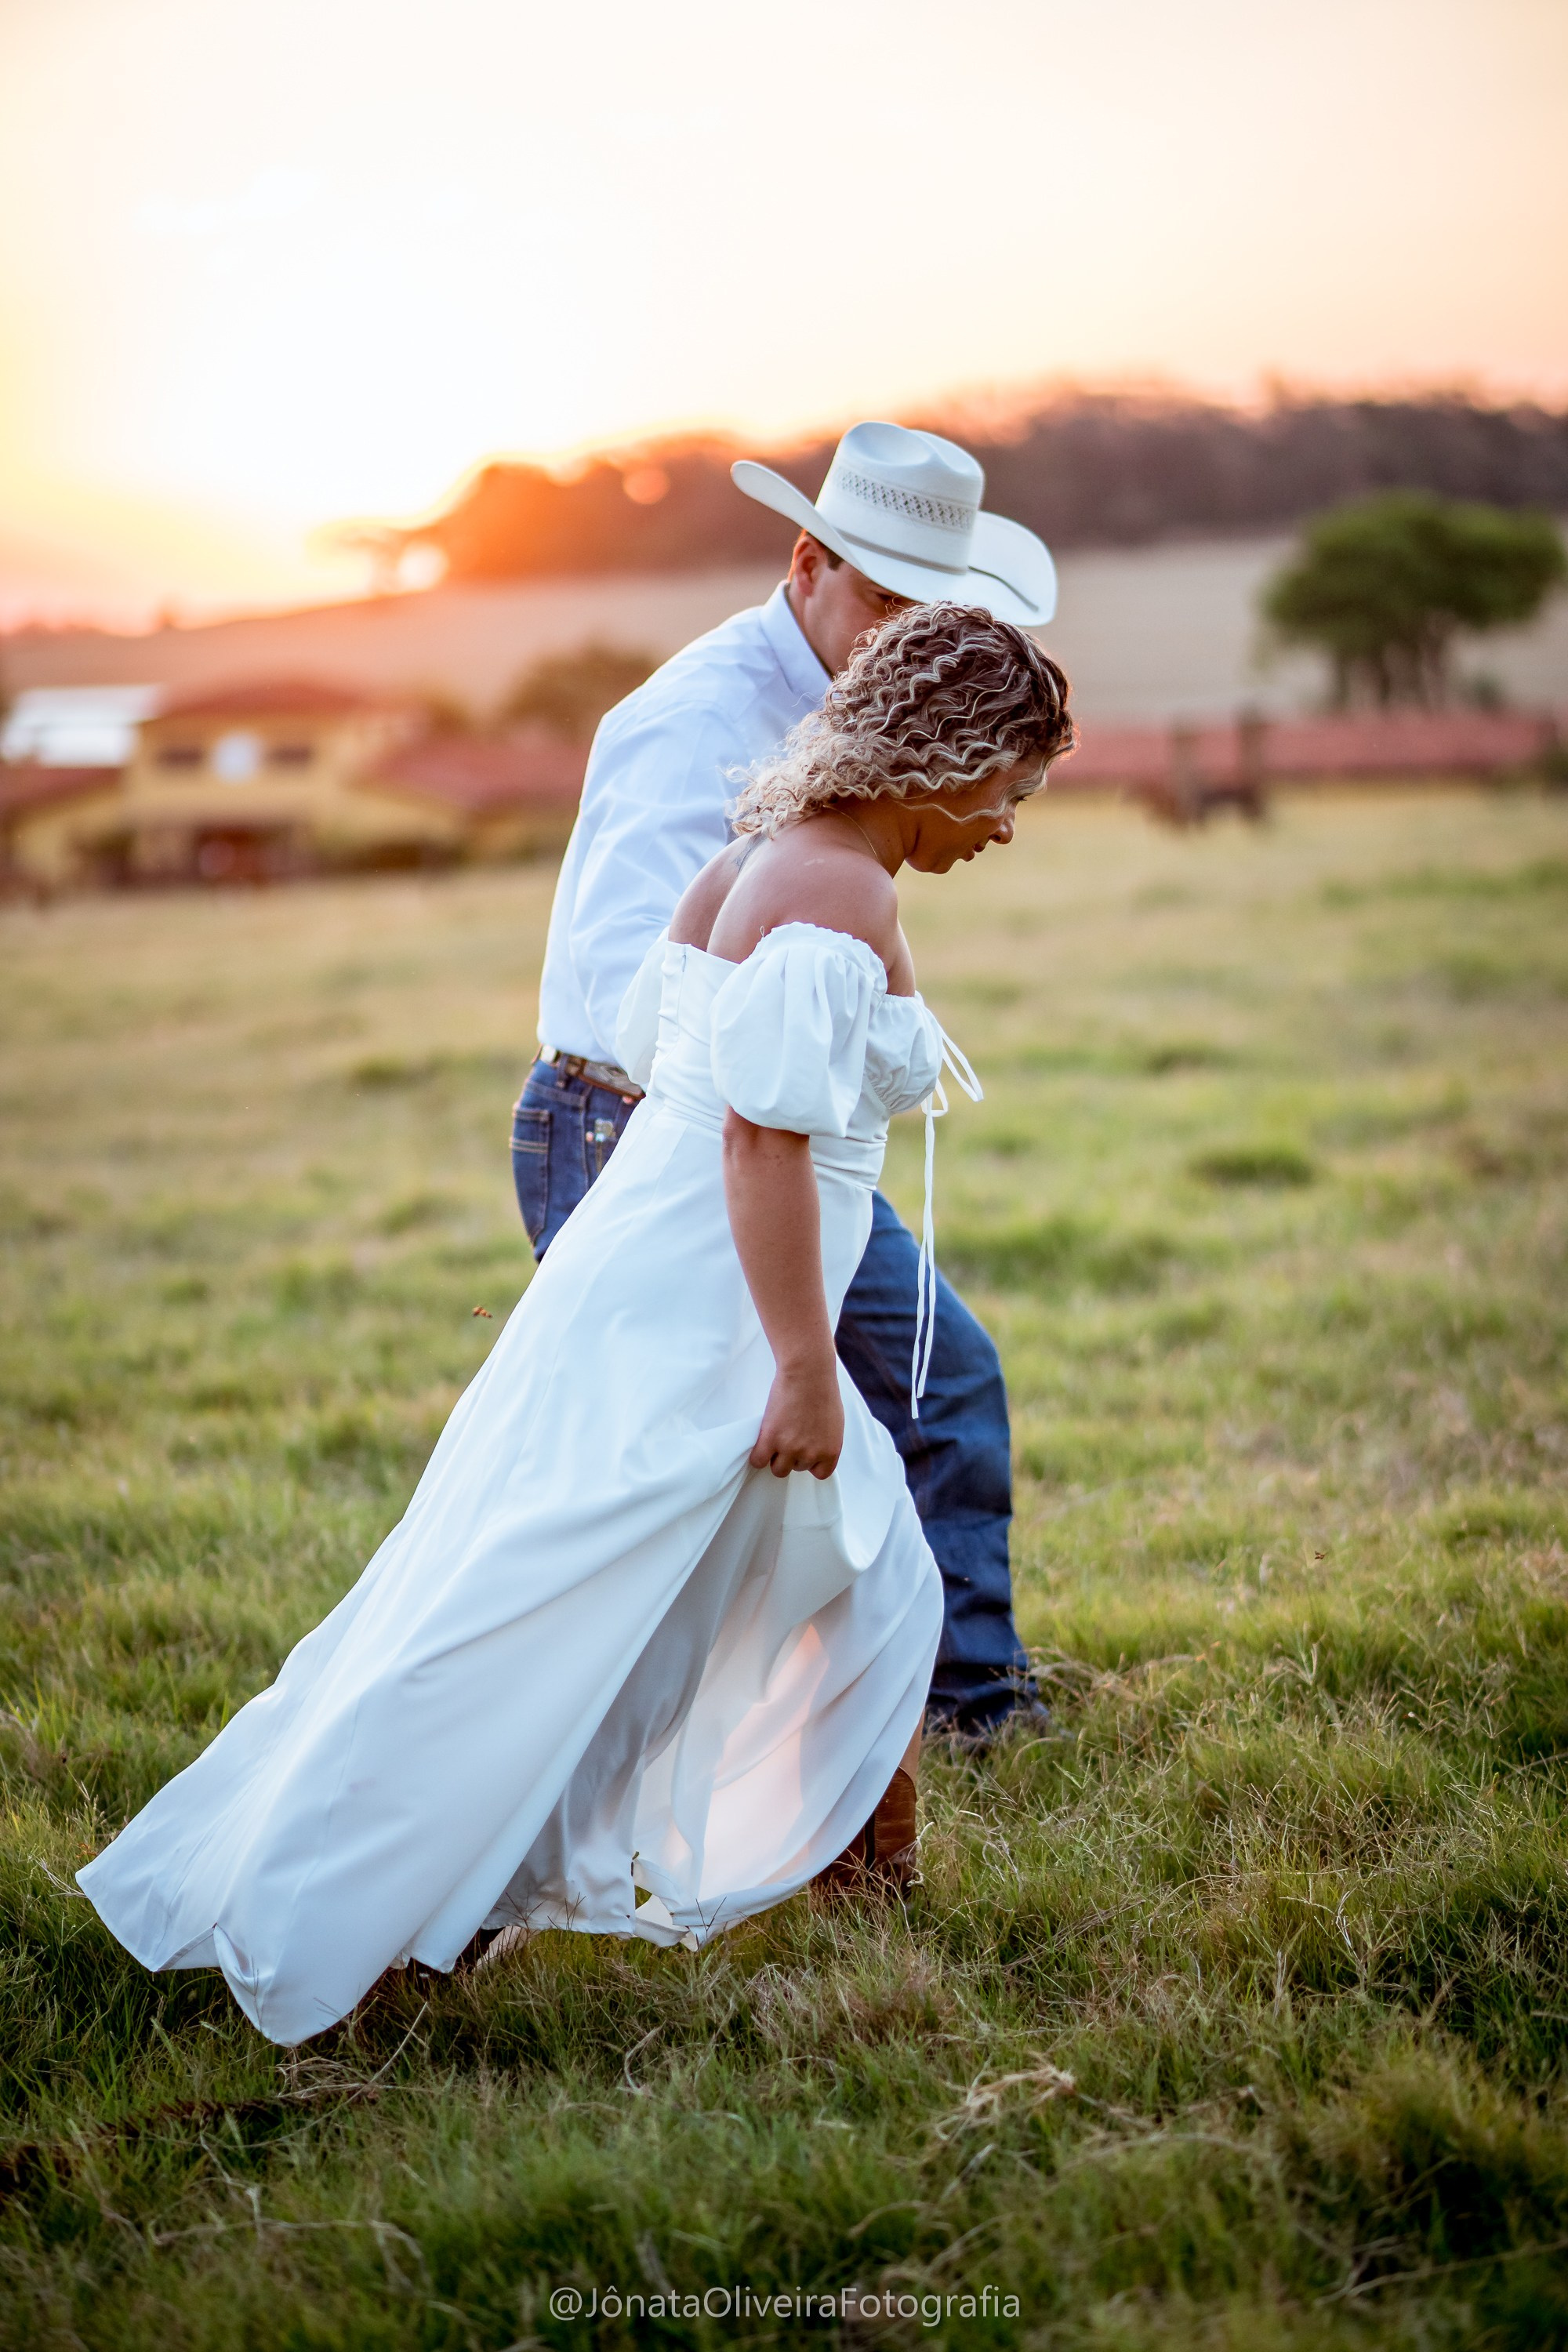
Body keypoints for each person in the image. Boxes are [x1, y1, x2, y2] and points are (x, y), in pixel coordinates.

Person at [78, 604, 1074, 2047]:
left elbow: (688, 1077)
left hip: (646, 1275)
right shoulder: (837, 889)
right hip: (711, 1309)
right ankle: (393, 1934)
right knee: (611, 1608)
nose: (1008, 825)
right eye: (1010, 788)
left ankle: (863, 1926)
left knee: (777, 1587)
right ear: (945, 757)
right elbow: (758, 1141)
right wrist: (802, 1364)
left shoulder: (768, 857)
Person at [516, 420, 1060, 1737]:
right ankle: (926, 1710)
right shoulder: (693, 722)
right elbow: (633, 990)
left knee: (926, 1386)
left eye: (928, 611)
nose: (899, 640)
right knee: (678, 1462)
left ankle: (922, 1706)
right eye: (879, 599)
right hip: (638, 1124)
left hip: (762, 1130)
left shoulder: (860, 736)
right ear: (806, 561)